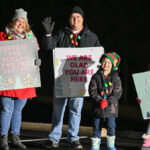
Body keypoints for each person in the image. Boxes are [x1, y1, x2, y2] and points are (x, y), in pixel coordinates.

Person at [42, 6, 101, 149]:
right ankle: (54, 138)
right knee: (58, 109)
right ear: (69, 19)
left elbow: (98, 57)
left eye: (78, 17)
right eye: (73, 17)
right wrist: (48, 35)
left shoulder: (91, 36)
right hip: (61, 79)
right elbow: (48, 48)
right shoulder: (61, 33)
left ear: (83, 19)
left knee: (76, 110)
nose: (75, 20)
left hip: (79, 81)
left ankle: (73, 138)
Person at [0, 8, 40, 150]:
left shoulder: (31, 40)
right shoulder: (3, 36)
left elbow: (34, 56)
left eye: (23, 22)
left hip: (24, 81)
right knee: (6, 108)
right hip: (8, 79)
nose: (21, 24)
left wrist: (36, 62)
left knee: (18, 110)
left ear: (27, 25)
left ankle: (15, 137)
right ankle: (3, 138)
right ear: (12, 22)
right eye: (18, 21)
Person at [88, 52, 122, 150]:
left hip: (111, 108)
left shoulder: (116, 78)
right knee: (96, 126)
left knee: (111, 126)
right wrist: (99, 100)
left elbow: (118, 93)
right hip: (97, 107)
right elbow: (92, 90)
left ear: (113, 65)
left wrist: (108, 101)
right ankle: (95, 145)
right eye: (104, 62)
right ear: (101, 63)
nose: (106, 64)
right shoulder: (95, 76)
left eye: (109, 63)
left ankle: (110, 145)